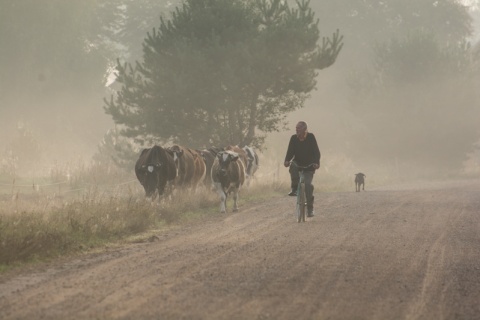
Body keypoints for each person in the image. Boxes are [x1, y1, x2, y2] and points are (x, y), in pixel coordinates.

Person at [284, 121, 321, 217]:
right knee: (293, 165)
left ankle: (310, 209)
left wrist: (317, 163)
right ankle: (295, 188)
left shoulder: (311, 137)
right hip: (298, 163)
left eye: (299, 128)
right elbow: (290, 151)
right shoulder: (293, 138)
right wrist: (287, 160)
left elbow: (316, 152)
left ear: (305, 129)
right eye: (296, 128)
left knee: (308, 185)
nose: (297, 130)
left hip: (309, 166)